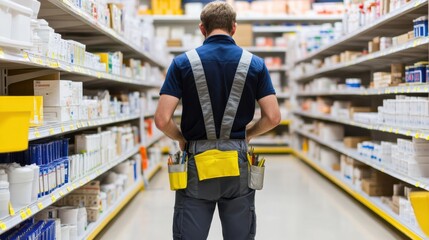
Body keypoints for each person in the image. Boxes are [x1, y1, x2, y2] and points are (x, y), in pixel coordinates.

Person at [154, 1, 281, 239]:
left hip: (196, 164)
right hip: (238, 164)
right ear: (234, 28)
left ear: (202, 29)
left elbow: (162, 119)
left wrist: (181, 139)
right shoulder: (255, 64)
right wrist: (249, 133)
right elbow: (273, 117)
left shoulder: (182, 63)